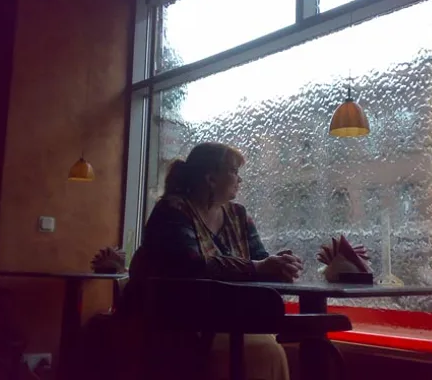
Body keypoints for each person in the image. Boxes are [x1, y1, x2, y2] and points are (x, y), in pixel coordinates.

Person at [120, 142, 303, 380]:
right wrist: (259, 267)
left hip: (228, 317)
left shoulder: (239, 215)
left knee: (267, 345)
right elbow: (192, 265)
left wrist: (279, 264)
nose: (240, 180)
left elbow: (259, 258)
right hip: (176, 324)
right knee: (264, 349)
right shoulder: (172, 210)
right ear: (211, 178)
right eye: (234, 171)